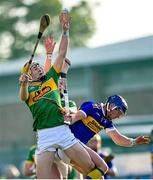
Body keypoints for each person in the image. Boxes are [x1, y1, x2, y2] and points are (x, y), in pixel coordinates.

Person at [19, 10, 104, 179]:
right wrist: (23, 83)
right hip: (44, 136)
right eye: (33, 67)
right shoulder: (27, 89)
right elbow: (22, 97)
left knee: (90, 168)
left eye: (38, 65)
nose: (38, 67)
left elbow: (62, 54)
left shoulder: (50, 78)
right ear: (28, 75)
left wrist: (65, 31)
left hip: (62, 131)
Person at [58, 95, 150, 178]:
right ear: (112, 106)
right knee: (103, 167)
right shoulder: (92, 107)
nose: (117, 117)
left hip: (77, 147)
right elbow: (76, 117)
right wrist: (69, 117)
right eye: (118, 113)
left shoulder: (106, 121)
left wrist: (133, 142)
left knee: (99, 177)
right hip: (71, 144)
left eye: (120, 115)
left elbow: (117, 138)